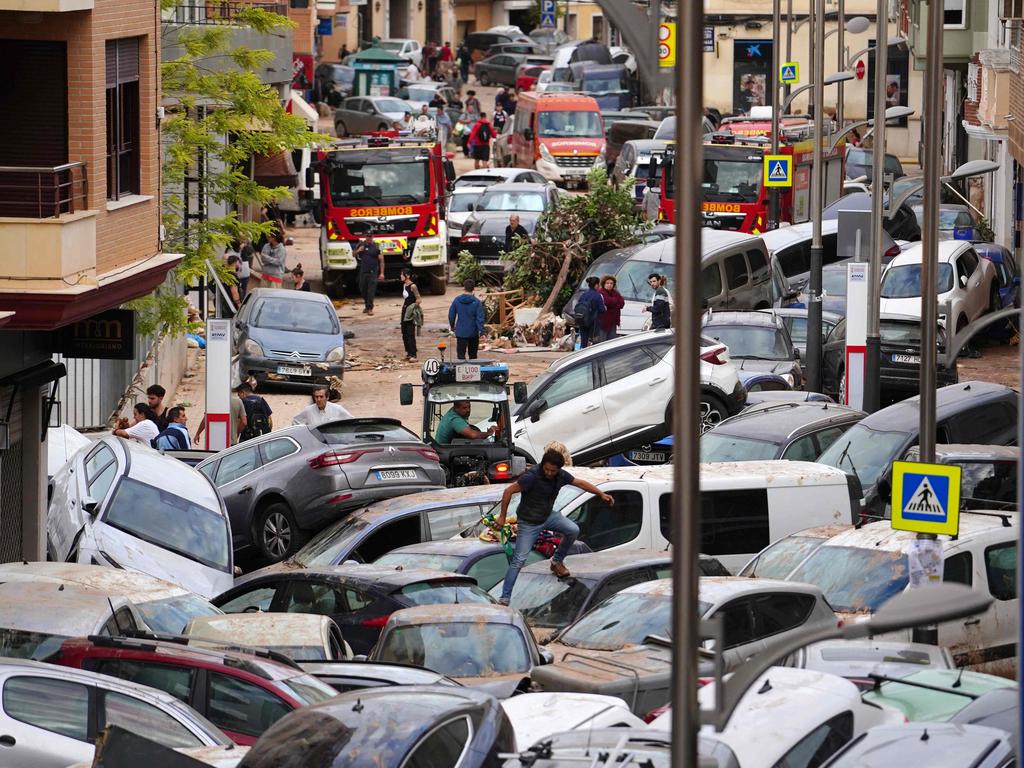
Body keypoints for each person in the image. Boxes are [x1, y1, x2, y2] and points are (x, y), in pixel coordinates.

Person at [496, 449, 614, 604]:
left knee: (573, 530)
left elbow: (580, 483)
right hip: (529, 522)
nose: (550, 473)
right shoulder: (531, 477)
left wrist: (600, 494)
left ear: (558, 469)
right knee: (519, 560)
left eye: (553, 471)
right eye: (547, 469)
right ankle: (505, 597)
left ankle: (557, 561)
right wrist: (502, 516)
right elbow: (508, 491)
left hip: (548, 516)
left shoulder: (561, 476)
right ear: (542, 465)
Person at [448, 279, 485, 360]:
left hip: (461, 332)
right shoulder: (477, 302)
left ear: (464, 288)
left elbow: (451, 315)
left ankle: (461, 372)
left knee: (460, 357)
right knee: (473, 357)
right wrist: (482, 332)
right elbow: (480, 319)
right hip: (473, 333)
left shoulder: (457, 300)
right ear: (473, 289)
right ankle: (473, 372)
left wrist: (452, 327)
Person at [354, 235, 384, 315]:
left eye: (370, 237)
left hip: (373, 272)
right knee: (362, 289)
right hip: (363, 271)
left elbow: (381, 260)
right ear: (366, 237)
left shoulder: (376, 246)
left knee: (371, 290)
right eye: (368, 236)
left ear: (372, 237)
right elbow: (353, 254)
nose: (369, 238)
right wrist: (358, 250)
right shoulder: (361, 245)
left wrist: (381, 273)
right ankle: (367, 306)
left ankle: (370, 308)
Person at [574, 276, 606, 348]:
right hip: (593, 322)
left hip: (582, 320)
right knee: (594, 342)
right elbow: (602, 309)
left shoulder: (584, 294)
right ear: (596, 285)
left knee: (583, 342)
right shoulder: (597, 296)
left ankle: (582, 355)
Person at [400, 268, 422, 361]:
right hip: (404, 310)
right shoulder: (404, 285)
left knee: (410, 332)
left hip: (410, 312)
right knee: (404, 332)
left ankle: (413, 354)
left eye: (402, 274)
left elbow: (419, 299)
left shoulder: (413, 286)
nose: (400, 276)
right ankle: (408, 353)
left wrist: (412, 307)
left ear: (407, 276)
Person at [596, 274, 625, 342]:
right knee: (601, 342)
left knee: (611, 342)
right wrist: (615, 301)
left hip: (613, 321)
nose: (609, 285)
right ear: (603, 284)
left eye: (611, 283)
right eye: (607, 283)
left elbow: (622, 303)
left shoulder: (615, 292)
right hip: (603, 322)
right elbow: (607, 301)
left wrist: (613, 303)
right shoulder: (600, 292)